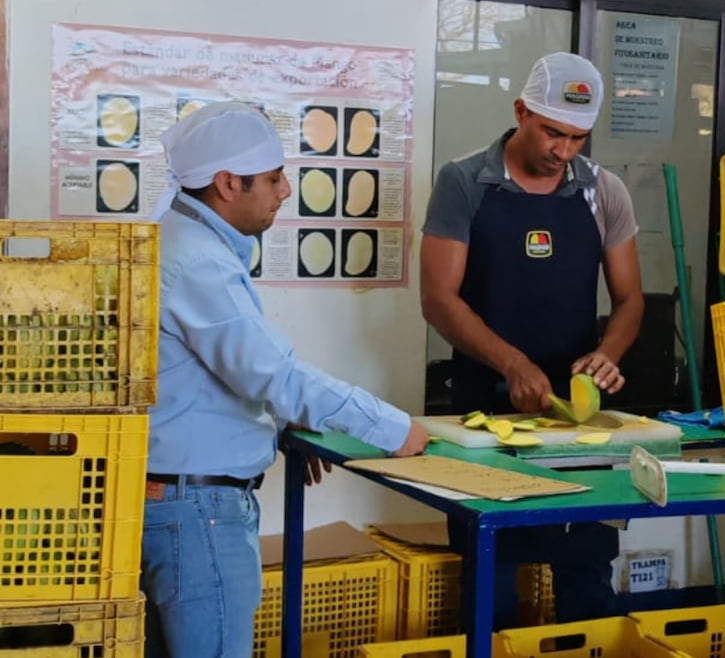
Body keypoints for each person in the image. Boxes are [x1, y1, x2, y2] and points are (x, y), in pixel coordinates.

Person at [141, 101, 428, 658]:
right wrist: (392, 428)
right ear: (227, 183)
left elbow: (225, 369)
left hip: (181, 501)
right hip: (196, 514)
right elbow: (272, 371)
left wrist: (281, 418)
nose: (285, 191)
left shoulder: (182, 238)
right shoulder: (197, 260)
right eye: (273, 179)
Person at [420, 52, 644, 629]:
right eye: (551, 132)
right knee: (489, 584)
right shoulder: (464, 182)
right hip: (483, 420)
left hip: (578, 427)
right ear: (521, 111)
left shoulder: (604, 192)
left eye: (577, 138)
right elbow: (439, 299)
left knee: (587, 577)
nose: (563, 151)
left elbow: (630, 301)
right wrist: (511, 364)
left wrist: (608, 354)